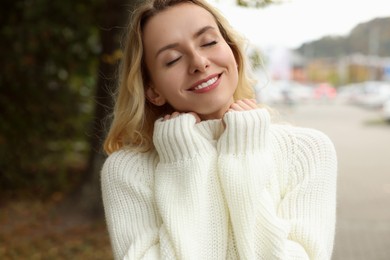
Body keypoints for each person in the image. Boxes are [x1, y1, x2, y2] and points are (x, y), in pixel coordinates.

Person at [101, 0, 338, 259]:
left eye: (209, 42)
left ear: (234, 54)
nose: (199, 62)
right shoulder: (127, 171)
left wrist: (245, 154)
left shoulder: (306, 151)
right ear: (153, 90)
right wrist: (186, 161)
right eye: (173, 59)